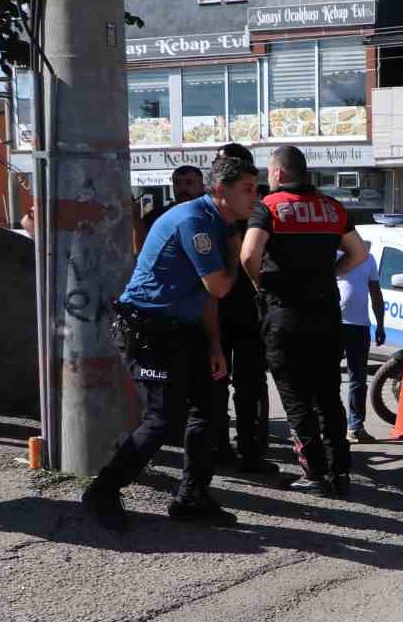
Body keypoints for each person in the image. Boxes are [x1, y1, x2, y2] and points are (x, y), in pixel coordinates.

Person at [80, 155, 257, 531]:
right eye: (248, 190)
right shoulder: (198, 222)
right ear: (222, 191)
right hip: (151, 328)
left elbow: (204, 296)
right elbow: (221, 286)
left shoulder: (217, 220)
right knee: (164, 417)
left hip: (185, 327)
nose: (254, 197)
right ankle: (103, 489)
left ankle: (192, 496)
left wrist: (214, 346)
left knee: (208, 410)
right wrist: (237, 248)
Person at [241, 145, 371, 493]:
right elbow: (360, 253)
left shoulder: (268, 207)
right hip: (327, 315)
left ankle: (313, 472)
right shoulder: (333, 208)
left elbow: (249, 254)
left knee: (296, 396)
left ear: (279, 174)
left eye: (269, 171)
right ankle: (340, 471)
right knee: (329, 394)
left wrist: (260, 285)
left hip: (285, 314)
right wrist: (330, 272)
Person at [208, 143, 275, 475]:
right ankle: (220, 446)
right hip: (216, 307)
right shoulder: (208, 210)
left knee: (250, 385)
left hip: (250, 308)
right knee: (216, 382)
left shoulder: (261, 208)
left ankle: (251, 449)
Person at [337, 233, 385, 444]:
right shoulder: (332, 256)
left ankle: (355, 426)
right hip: (334, 325)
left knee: (358, 380)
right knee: (329, 378)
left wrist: (380, 324)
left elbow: (375, 293)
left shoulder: (369, 259)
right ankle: (329, 426)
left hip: (360, 327)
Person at [138, 165, 204, 241]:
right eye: (177, 183)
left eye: (189, 183)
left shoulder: (211, 214)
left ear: (201, 187)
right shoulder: (157, 217)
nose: (182, 188)